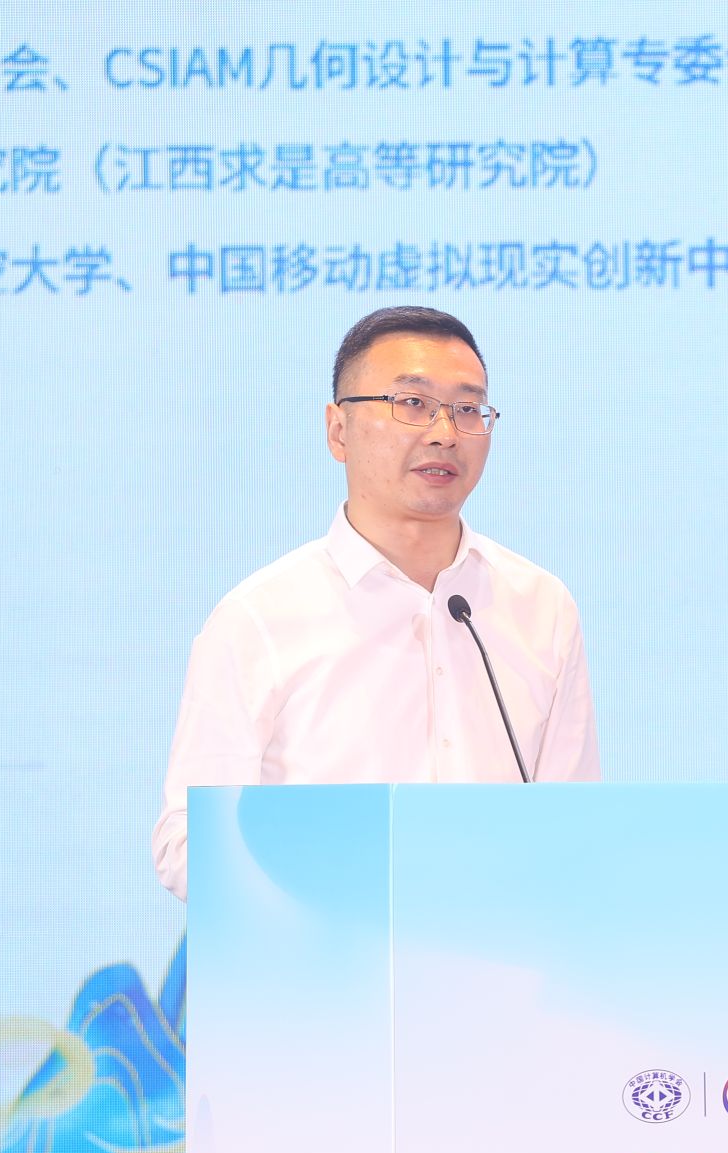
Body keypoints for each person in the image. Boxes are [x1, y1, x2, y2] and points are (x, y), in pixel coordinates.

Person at [152, 306, 600, 899]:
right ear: (339, 431)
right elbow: (187, 846)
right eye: (412, 403)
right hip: (329, 951)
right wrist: (339, 881)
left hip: (496, 953)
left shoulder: (540, 606)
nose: (445, 433)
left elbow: (574, 830)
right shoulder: (259, 619)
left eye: (468, 409)